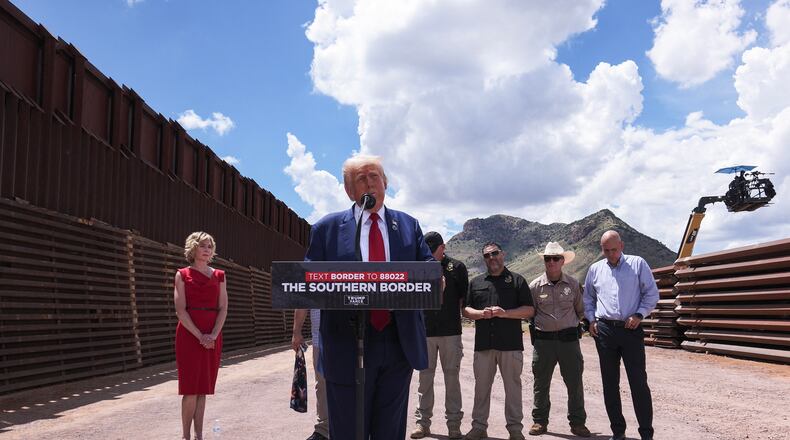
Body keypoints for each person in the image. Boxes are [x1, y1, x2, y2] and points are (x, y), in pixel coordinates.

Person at [304, 154, 433, 440]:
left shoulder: (409, 226)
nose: (370, 183)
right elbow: (309, 281)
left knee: (390, 429)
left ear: (385, 183)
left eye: (375, 176)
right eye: (361, 178)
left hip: (398, 342)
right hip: (346, 343)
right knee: (348, 430)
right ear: (350, 191)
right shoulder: (326, 230)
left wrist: (438, 278)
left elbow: (428, 268)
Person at [584, 231, 659, 440]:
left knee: (638, 382)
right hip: (605, 331)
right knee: (609, 383)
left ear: (622, 246)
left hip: (631, 329)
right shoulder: (595, 269)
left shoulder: (637, 264)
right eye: (606, 250)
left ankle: (646, 433)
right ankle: (618, 432)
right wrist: (592, 320)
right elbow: (588, 298)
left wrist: (639, 314)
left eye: (614, 250)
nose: (610, 254)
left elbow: (652, 294)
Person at [463, 242, 534, 440]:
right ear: (484, 259)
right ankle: (479, 427)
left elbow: (529, 310)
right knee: (481, 388)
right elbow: (466, 309)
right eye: (487, 255)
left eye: (495, 253)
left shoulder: (517, 281)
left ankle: (515, 430)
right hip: (484, 344)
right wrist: (480, 314)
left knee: (513, 388)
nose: (491, 258)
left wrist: (505, 313)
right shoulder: (476, 282)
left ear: (503, 254)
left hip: (510, 344)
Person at [527, 242, 590, 437]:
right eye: (548, 259)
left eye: (555, 258)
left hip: (569, 342)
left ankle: (578, 423)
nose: (551, 262)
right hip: (543, 342)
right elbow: (531, 313)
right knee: (541, 383)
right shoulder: (535, 286)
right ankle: (539, 421)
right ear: (544, 261)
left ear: (562, 261)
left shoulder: (573, 284)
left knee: (574, 383)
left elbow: (581, 311)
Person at [411, 232, 468, 440]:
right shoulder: (419, 267)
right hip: (425, 332)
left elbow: (463, 299)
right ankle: (422, 424)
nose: (430, 254)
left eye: (433, 250)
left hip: (450, 333)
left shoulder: (458, 268)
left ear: (442, 247)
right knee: (424, 380)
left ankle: (454, 426)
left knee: (452, 380)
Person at [174, 231, 228, 440]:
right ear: (193, 248)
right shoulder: (182, 274)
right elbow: (180, 310)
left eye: (210, 247)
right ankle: (186, 436)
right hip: (189, 336)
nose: (207, 250)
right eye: (203, 246)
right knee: (190, 388)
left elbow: (223, 308)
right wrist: (200, 336)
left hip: (213, 336)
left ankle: (199, 435)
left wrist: (213, 335)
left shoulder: (220, 276)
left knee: (203, 388)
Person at [292, 309, 330, 440]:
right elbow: (303, 298)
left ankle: (358, 426)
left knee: (358, 381)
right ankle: (324, 430)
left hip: (355, 334)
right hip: (321, 338)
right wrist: (296, 331)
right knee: (323, 384)